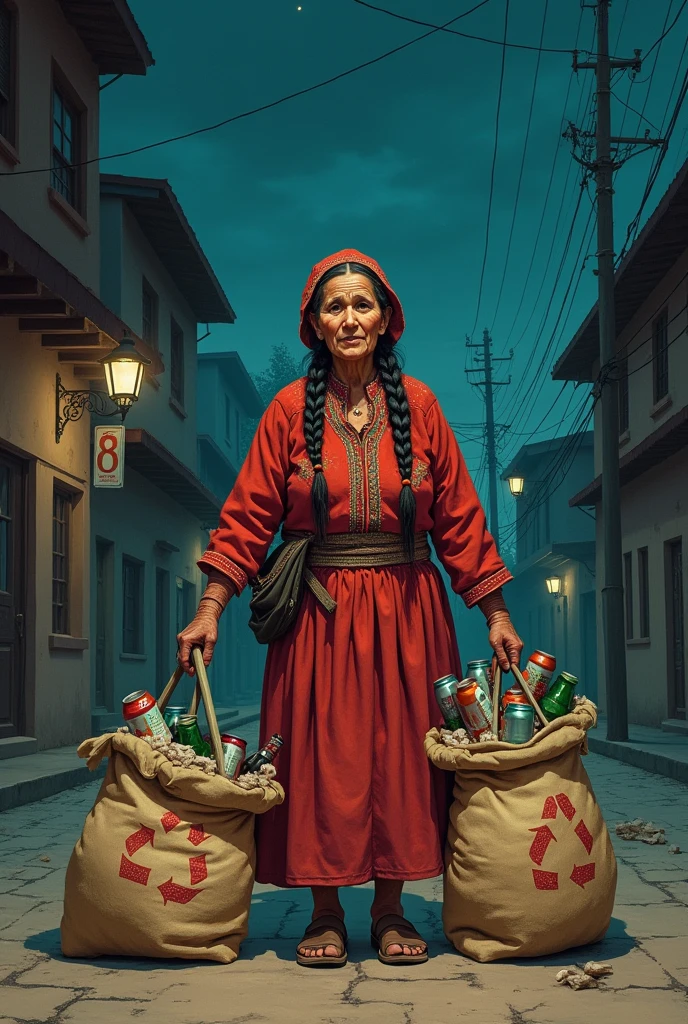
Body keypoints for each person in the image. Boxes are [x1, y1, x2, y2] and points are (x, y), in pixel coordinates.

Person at [177, 249, 523, 968]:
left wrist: (495, 613)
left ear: (386, 317)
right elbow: (246, 519)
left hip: (408, 612)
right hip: (319, 618)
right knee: (321, 759)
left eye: (362, 304)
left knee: (403, 757)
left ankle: (392, 908)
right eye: (333, 306)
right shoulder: (286, 412)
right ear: (315, 324)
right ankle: (327, 910)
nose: (349, 318)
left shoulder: (421, 408)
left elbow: (459, 519)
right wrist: (211, 606)